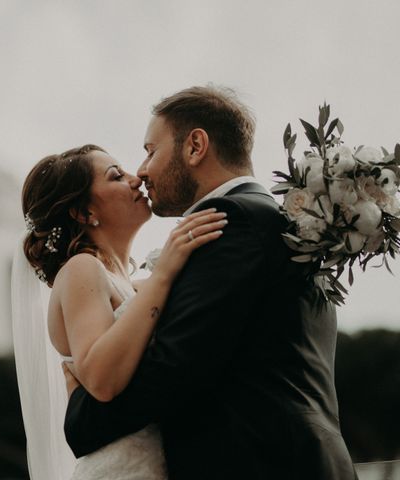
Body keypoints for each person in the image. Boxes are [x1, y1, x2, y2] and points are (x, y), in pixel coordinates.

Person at [62, 86, 359, 479]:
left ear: (195, 146)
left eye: (151, 150)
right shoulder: (278, 223)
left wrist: (81, 418)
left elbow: (176, 366)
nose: (143, 170)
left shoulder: (232, 221)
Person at [13, 144, 227, 479]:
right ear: (84, 213)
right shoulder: (82, 269)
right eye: (116, 175)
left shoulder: (133, 284)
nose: (136, 178)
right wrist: (165, 274)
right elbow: (101, 379)